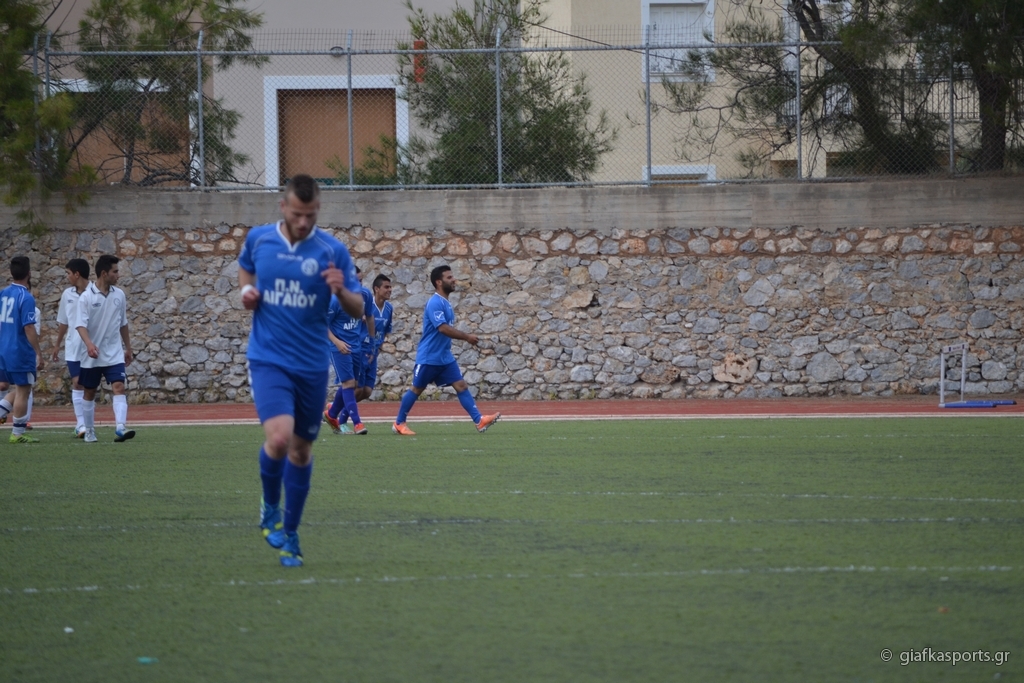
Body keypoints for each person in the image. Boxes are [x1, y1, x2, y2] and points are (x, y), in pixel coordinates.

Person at [239, 173, 363, 568]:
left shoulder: (332, 251)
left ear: (318, 209)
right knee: (278, 439)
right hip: (269, 358)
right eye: (297, 214)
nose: (304, 222)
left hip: (311, 365)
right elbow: (246, 268)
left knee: (301, 449)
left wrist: (340, 290)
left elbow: (358, 307)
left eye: (310, 215)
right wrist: (247, 292)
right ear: (283, 207)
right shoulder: (260, 239)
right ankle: (269, 508)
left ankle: (291, 534)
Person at [392, 265, 500, 436]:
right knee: (417, 389)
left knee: (461, 385)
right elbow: (442, 328)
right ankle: (399, 423)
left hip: (444, 357)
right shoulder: (434, 303)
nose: (454, 280)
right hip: (429, 356)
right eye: (449, 277)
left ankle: (479, 420)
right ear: (439, 282)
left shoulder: (446, 303)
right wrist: (466, 337)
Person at [76, 254, 134, 444]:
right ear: (104, 273)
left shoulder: (119, 295)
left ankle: (121, 427)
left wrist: (128, 348)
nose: (118, 275)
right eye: (115, 271)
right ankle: (89, 430)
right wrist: (89, 344)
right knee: (89, 392)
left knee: (119, 386)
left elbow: (123, 323)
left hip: (114, 353)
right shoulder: (86, 297)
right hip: (92, 355)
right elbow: (80, 325)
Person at [322, 267, 375, 435]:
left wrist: (372, 342)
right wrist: (337, 342)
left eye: (361, 281)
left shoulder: (365, 295)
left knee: (355, 385)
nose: (359, 284)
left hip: (357, 346)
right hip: (339, 347)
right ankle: (358, 424)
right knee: (349, 383)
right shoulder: (334, 300)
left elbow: (370, 316)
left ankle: (331, 414)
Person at [0, 256, 44, 443]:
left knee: (17, 389)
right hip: (19, 351)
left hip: (4, 349)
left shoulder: (3, 294)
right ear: (29, 273)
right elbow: (29, 327)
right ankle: (17, 433)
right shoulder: (26, 297)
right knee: (23, 390)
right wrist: (38, 353)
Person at [53, 258, 91, 437]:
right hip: (73, 346)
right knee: (77, 382)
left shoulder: (94, 292)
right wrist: (57, 344)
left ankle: (88, 423)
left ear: (77, 274)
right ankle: (81, 424)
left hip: (90, 346)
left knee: (89, 386)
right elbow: (64, 321)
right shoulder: (67, 294)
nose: (67, 277)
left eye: (68, 273)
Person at [360, 273, 394, 401]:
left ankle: (336, 408)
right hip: (362, 350)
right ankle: (336, 409)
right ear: (376, 289)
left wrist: (377, 348)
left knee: (367, 391)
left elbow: (385, 330)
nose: (390, 290)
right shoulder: (366, 305)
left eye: (390, 287)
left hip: (373, 353)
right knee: (356, 388)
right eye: (386, 287)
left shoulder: (389, 308)